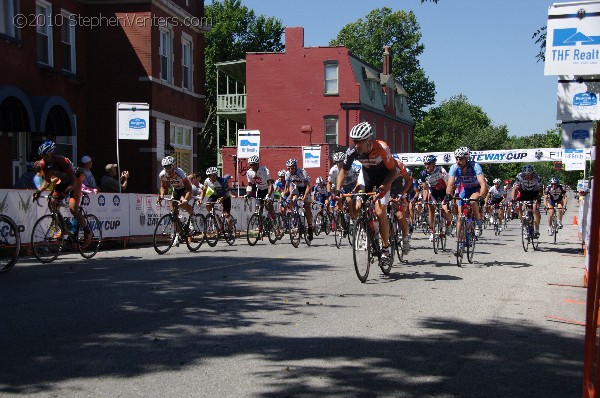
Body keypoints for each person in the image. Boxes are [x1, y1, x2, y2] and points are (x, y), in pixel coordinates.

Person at [336, 121, 397, 265]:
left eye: (359, 142)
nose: (356, 145)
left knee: (381, 212)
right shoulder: (352, 151)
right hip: (367, 177)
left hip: (384, 178)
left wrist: (383, 187)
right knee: (357, 207)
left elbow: (393, 171)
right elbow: (343, 171)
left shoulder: (381, 148)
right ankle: (368, 230)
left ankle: (386, 249)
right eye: (354, 141)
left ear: (369, 141)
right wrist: (338, 189)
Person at [31, 140, 93, 248]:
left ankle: (88, 232)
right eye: (42, 156)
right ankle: (62, 227)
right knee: (52, 201)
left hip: (75, 181)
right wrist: (39, 190)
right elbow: (47, 181)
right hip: (63, 182)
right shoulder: (43, 163)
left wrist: (65, 193)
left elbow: (73, 181)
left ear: (51, 154)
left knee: (73, 209)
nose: (44, 158)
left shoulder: (62, 161)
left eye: (46, 156)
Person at [445, 146, 487, 255]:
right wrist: (448, 195)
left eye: (461, 159)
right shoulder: (454, 168)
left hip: (476, 188)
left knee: (473, 201)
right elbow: (450, 184)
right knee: (460, 216)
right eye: (457, 158)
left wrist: (482, 196)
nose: (458, 161)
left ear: (466, 159)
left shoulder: (475, 166)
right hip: (465, 189)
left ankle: (478, 221)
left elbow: (483, 183)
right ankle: (459, 243)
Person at [419, 155, 452, 241]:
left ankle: (448, 224)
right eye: (425, 164)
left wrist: (448, 195)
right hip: (433, 192)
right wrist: (424, 200)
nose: (427, 166)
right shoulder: (423, 174)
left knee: (445, 209)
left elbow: (448, 183)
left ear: (433, 164)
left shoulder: (440, 170)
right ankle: (432, 232)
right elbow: (425, 188)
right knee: (431, 210)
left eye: (429, 164)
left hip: (443, 191)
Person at [283, 158, 314, 240]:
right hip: (297, 187)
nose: (290, 170)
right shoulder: (287, 174)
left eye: (292, 168)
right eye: (288, 168)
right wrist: (283, 195)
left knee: (307, 207)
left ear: (296, 167)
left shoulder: (302, 172)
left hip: (305, 188)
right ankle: (295, 214)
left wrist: (304, 197)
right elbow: (286, 187)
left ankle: (310, 227)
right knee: (290, 199)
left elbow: (308, 186)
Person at [327, 151, 359, 227]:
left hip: (352, 185)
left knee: (349, 200)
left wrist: (354, 190)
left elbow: (357, 181)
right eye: (337, 162)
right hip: (341, 186)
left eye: (340, 162)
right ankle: (343, 213)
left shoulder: (350, 169)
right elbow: (329, 183)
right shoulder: (333, 170)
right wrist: (329, 193)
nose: (339, 164)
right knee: (338, 198)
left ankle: (352, 218)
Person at [511, 164, 543, 238]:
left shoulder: (537, 178)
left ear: (532, 174)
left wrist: (538, 198)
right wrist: (513, 199)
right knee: (519, 206)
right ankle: (523, 222)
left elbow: (540, 191)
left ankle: (536, 230)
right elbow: (514, 189)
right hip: (524, 192)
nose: (527, 176)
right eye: (525, 175)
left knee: (535, 209)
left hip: (534, 193)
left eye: (529, 175)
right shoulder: (520, 177)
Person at [389, 158, 413, 254]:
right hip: (387, 187)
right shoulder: (383, 167)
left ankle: (405, 238)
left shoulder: (401, 168)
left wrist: (401, 195)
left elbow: (409, 182)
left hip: (399, 189)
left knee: (400, 215)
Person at [198, 167, 234, 231]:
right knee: (208, 205)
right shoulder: (207, 181)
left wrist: (222, 198)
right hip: (214, 195)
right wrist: (200, 199)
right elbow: (204, 191)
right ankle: (215, 218)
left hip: (224, 195)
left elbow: (228, 192)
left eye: (211, 176)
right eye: (208, 176)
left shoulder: (222, 181)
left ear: (215, 176)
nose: (209, 177)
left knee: (226, 214)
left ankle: (229, 231)